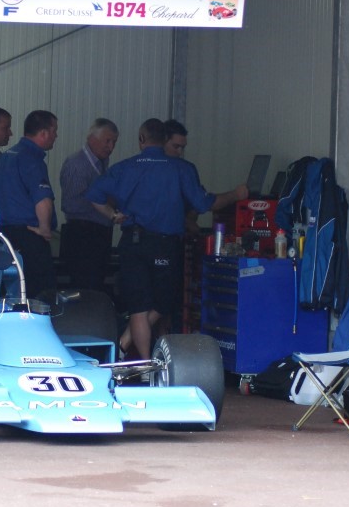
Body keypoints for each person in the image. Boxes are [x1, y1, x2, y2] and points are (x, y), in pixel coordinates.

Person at [88, 118, 248, 360]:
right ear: (164, 140)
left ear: (141, 139)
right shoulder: (181, 169)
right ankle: (131, 351)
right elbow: (204, 203)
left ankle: (137, 358)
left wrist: (112, 215)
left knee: (138, 308)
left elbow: (93, 194)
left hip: (132, 243)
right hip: (164, 245)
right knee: (164, 303)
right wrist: (236, 194)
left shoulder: (124, 167)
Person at [0, 110, 59, 298]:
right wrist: (45, 228)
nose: (56, 136)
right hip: (30, 238)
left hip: (5, 237)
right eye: (54, 131)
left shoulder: (5, 157)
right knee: (40, 296)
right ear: (43, 133)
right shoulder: (32, 159)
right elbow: (42, 198)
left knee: (12, 294)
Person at [59, 118, 119, 291]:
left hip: (99, 234)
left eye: (114, 142)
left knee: (96, 284)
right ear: (92, 138)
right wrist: (104, 203)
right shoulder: (77, 164)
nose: (111, 147)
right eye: (107, 141)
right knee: (85, 286)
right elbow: (71, 205)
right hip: (83, 235)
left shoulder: (102, 163)